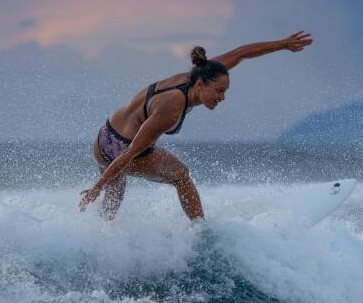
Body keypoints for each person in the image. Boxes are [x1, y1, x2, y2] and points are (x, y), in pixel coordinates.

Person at [78, 31, 313, 220]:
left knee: (112, 204)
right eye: (219, 91)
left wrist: (282, 44)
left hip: (104, 138)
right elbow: (131, 152)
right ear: (200, 84)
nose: (221, 98)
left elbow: (242, 53)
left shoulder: (203, 73)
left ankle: (95, 238)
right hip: (125, 150)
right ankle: (202, 232)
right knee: (181, 176)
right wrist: (97, 186)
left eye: (224, 91)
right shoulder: (172, 108)